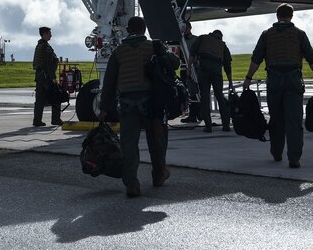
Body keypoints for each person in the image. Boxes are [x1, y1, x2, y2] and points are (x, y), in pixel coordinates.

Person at [100, 16, 180, 198]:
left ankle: (132, 184)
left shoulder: (118, 52)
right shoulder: (154, 47)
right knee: (157, 142)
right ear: (144, 29)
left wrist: (104, 107)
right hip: (153, 104)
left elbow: (109, 83)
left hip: (127, 106)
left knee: (129, 145)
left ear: (128, 30)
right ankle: (159, 174)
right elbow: (174, 64)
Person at [243, 4, 313, 168]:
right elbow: (312, 58)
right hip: (293, 80)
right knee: (294, 121)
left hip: (274, 80)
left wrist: (248, 79)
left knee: (276, 119)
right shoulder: (300, 34)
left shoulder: (266, 35)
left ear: (277, 16)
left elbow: (256, 59)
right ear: (291, 16)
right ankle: (294, 158)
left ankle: (276, 152)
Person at [189, 29, 233, 133]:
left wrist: (188, 68)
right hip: (217, 74)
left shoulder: (202, 38)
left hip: (203, 72)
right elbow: (227, 65)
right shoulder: (222, 45)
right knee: (220, 97)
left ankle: (208, 126)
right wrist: (230, 81)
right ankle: (226, 125)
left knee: (205, 98)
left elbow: (192, 51)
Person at [32, 26, 63, 127]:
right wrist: (53, 78)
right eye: (49, 33)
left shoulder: (39, 46)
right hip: (46, 76)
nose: (51, 35)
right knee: (56, 96)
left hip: (40, 76)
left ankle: (37, 120)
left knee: (40, 99)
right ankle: (55, 119)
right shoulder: (45, 47)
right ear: (45, 34)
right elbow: (49, 64)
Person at [179, 21, 201, 123]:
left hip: (194, 68)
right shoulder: (180, 40)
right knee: (188, 92)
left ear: (190, 28)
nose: (185, 30)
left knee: (195, 91)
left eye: (186, 28)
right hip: (184, 68)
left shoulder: (196, 39)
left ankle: (195, 114)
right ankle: (193, 113)